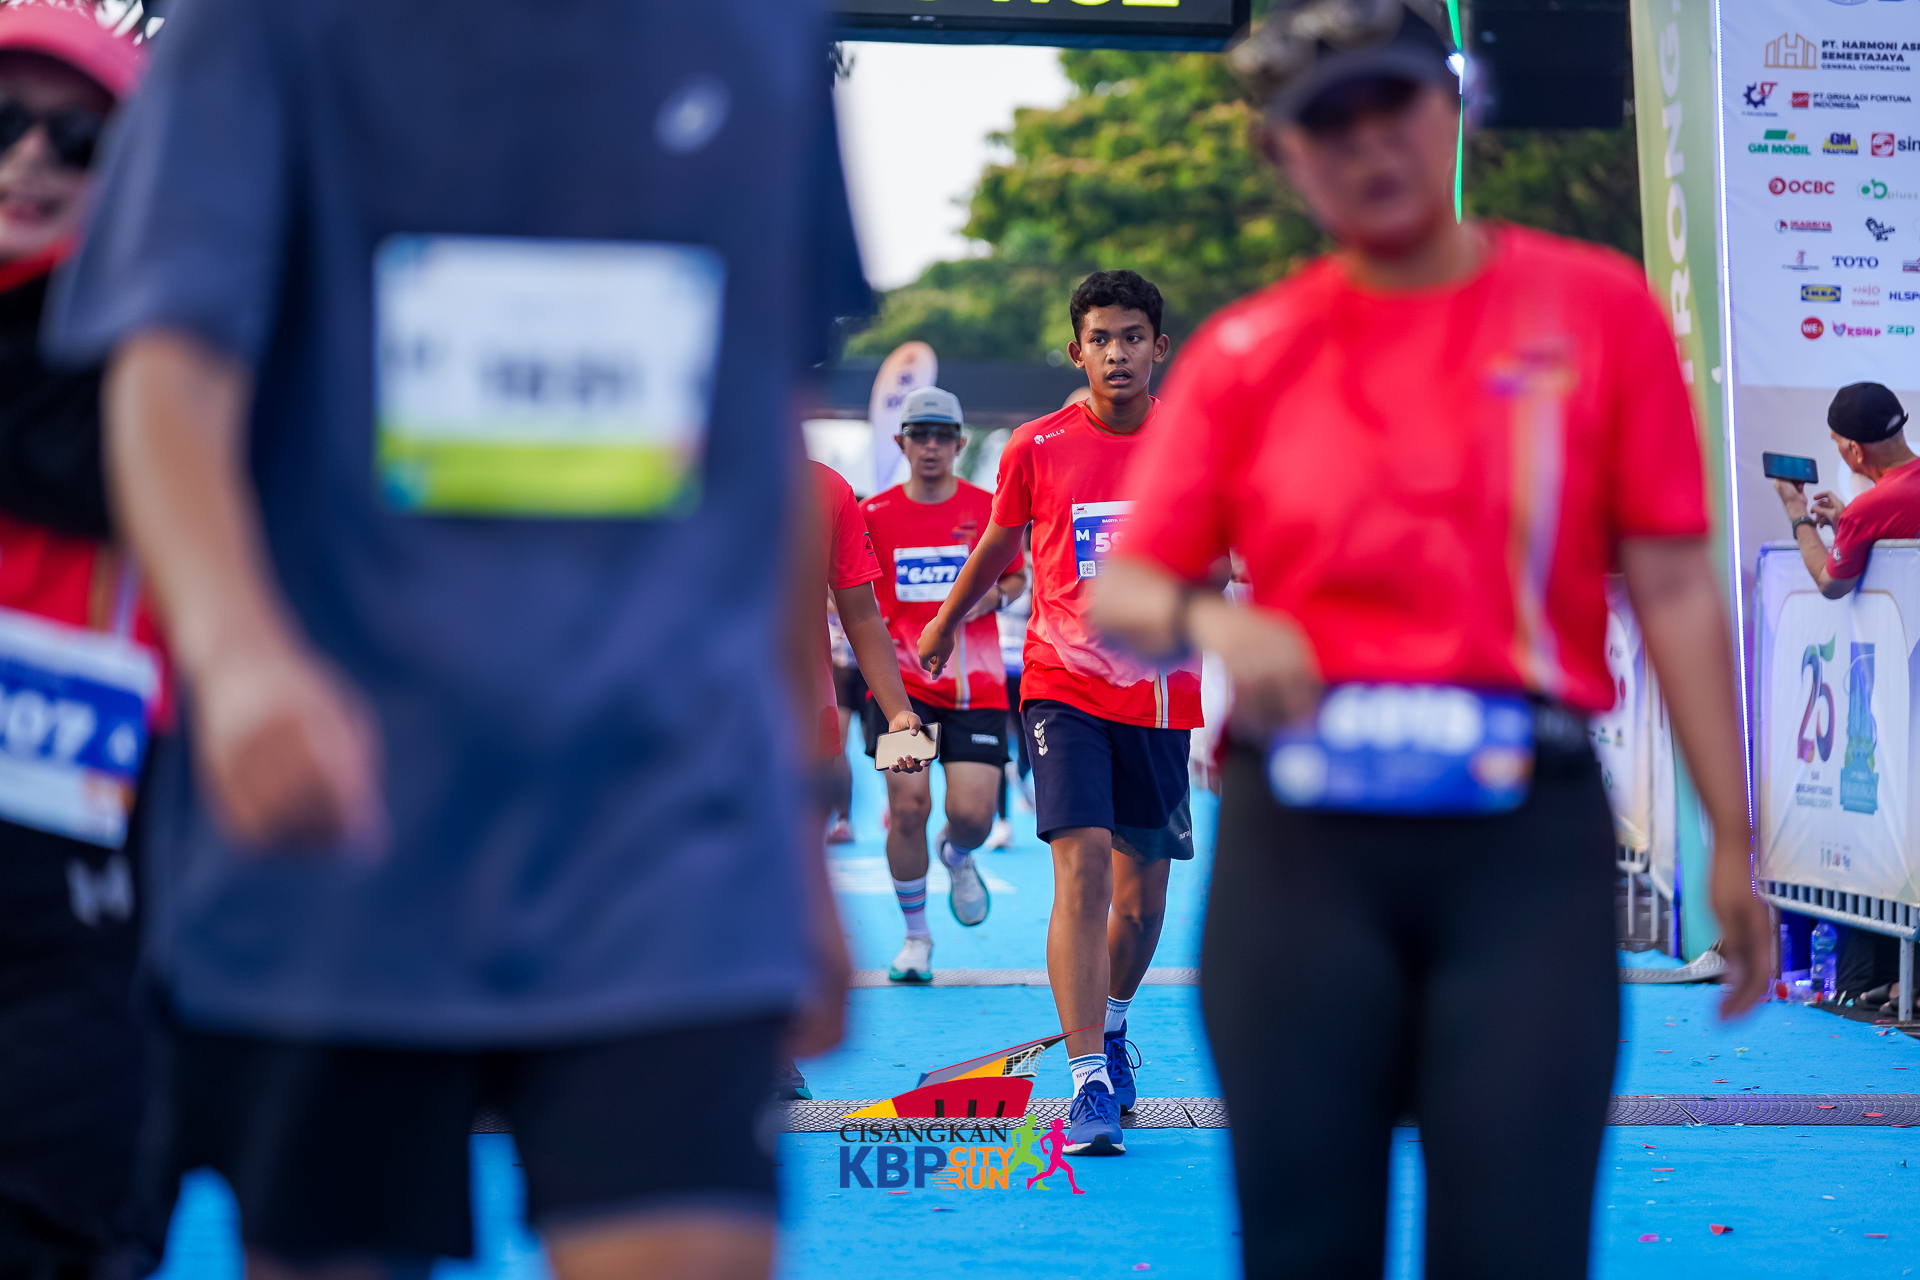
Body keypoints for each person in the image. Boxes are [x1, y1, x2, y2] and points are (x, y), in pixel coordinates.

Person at [46, 3, 868, 1278]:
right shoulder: (263, 28)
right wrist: (239, 655)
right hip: (344, 828)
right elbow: (168, 372)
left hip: (668, 829)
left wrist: (800, 819)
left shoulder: (763, 34)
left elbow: (767, 427)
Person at [1090, 2, 1771, 1274]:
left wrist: (1735, 835)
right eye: (1326, 125)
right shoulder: (1249, 352)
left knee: (1517, 1242)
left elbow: (1676, 584)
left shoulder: (1596, 309)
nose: (1369, 145)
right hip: (1301, 853)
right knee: (1306, 1243)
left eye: (1393, 105)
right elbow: (1122, 594)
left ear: (1451, 106)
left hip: (1523, 844)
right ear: (1284, 156)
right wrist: (1216, 615)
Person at [919, 270, 1202, 1157]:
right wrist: (943, 622)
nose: (1117, 353)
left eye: (1132, 336)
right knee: (1080, 870)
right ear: (1078, 352)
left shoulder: (1197, 443)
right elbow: (998, 542)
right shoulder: (1035, 446)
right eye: (1101, 339)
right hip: (1062, 685)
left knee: (1141, 906)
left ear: (1159, 347)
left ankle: (1112, 1028)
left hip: (1161, 694)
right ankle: (1085, 1083)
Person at [0, 9, 160, 1280]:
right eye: (2, 123)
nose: (29, 160)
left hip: (80, 907)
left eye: (78, 139)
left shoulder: (182, 374)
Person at [857, 386, 1026, 981]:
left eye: (942, 435)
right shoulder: (872, 515)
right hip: (901, 692)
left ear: (959, 442)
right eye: (919, 435)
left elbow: (1016, 579)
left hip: (975, 688)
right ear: (900, 443)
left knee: (974, 817)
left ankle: (956, 854)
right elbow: (849, 594)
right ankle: (916, 938)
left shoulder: (989, 507)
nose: (931, 446)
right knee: (908, 809)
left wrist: (983, 602)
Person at [1772, 382, 1914, 601]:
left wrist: (1796, 510)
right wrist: (1850, 530)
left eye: (1836, 442)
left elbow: (1830, 585)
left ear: (1856, 450)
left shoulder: (1866, 511)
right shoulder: (1864, 517)